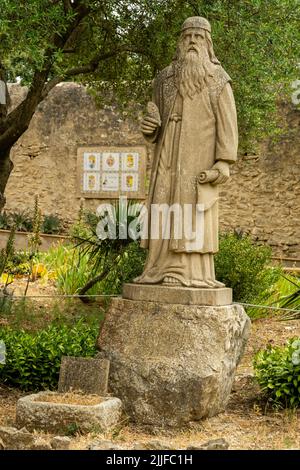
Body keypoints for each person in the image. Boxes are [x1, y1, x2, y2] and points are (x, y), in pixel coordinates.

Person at [135, 16, 238, 288]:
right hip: (167, 152)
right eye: (187, 37)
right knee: (162, 202)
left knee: (190, 208)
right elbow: (154, 123)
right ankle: (156, 268)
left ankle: (189, 273)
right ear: (180, 43)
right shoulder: (164, 78)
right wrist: (150, 128)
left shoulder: (218, 80)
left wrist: (223, 162)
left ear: (208, 43)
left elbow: (228, 125)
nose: (192, 41)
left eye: (199, 37)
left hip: (197, 157)